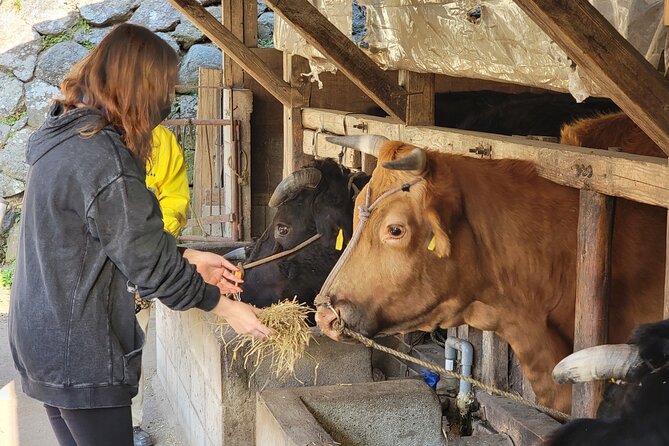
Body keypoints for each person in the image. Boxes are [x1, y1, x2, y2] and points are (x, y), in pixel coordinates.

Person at [8, 23, 271, 446]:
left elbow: (108, 238)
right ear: (140, 88)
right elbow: (150, 268)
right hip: (81, 352)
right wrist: (227, 309)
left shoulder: (64, 136)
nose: (167, 102)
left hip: (42, 337)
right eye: (164, 88)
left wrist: (187, 256)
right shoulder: (103, 157)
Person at [132, 124, 190, 446]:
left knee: (134, 345)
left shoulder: (160, 138)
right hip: (96, 271)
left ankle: (132, 423)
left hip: (141, 266)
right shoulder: (92, 134)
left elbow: (175, 199)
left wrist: (154, 244)